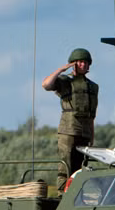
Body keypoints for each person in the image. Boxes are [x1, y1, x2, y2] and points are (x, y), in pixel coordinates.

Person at [42, 48, 99, 192]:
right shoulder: (65, 82)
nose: (84, 65)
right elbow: (46, 85)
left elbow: (91, 116)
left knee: (79, 169)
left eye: (86, 62)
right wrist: (62, 69)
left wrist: (92, 136)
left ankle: (76, 194)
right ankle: (62, 193)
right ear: (73, 64)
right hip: (68, 130)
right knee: (65, 167)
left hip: (85, 133)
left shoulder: (93, 86)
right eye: (80, 62)